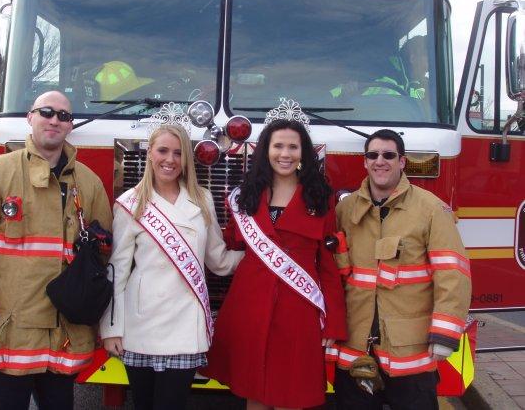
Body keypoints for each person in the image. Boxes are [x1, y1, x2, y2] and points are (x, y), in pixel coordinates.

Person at [0, 91, 113, 409]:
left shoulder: (89, 184)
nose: (54, 120)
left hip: (62, 336)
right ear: (30, 118)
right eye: (46, 112)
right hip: (8, 333)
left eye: (63, 116)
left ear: (70, 125)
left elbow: (102, 255)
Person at [202, 114, 347, 410]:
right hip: (250, 304)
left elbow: (329, 267)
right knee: (253, 391)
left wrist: (334, 324)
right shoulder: (247, 196)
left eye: (293, 147)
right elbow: (233, 244)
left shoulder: (320, 198)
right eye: (278, 146)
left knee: (289, 395)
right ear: (266, 150)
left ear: (303, 153)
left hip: (298, 309)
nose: (285, 154)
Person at [100, 123, 244, 410]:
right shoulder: (130, 204)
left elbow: (217, 259)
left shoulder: (201, 199)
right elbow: (116, 271)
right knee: (143, 405)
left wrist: (256, 258)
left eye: (178, 153)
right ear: (150, 154)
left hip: (185, 325)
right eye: (163, 150)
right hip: (141, 323)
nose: (170, 159)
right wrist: (111, 328)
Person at [333, 129, 471, 409]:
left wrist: (444, 334)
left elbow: (452, 275)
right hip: (355, 349)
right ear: (365, 162)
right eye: (372, 155)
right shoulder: (345, 210)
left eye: (388, 155)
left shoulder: (432, 209)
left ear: (402, 162)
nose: (379, 161)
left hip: (411, 353)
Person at [330, 35, 429, 100]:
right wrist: (344, 95)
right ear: (413, 58)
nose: (429, 68)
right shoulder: (376, 71)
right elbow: (337, 92)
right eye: (428, 59)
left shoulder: (419, 85)